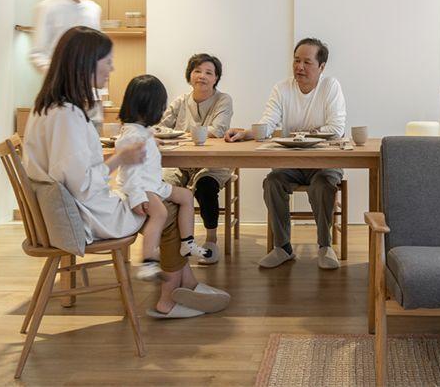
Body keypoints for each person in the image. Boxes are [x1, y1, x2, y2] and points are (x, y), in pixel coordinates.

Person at [21, 26, 230, 319]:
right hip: (86, 217)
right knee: (169, 211)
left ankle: (188, 284)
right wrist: (121, 158)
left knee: (165, 202)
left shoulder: (47, 109)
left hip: (71, 212)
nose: (112, 68)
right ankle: (169, 300)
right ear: (85, 63)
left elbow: (74, 174)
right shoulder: (67, 116)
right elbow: (82, 183)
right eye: (107, 61)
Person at [226, 38, 346, 270]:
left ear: (321, 67)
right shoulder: (282, 88)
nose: (299, 67)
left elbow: (336, 128)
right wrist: (246, 133)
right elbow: (268, 122)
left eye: (307, 62)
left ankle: (325, 246)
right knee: (272, 182)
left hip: (324, 162)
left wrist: (300, 134)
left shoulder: (330, 86)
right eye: (296, 60)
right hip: (292, 161)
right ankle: (283, 248)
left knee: (323, 184)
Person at [115, 74, 215, 283]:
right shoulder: (132, 136)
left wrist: (154, 142)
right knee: (160, 213)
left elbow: (146, 141)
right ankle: (148, 260)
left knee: (186, 196)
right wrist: (137, 197)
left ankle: (187, 242)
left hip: (154, 185)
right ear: (150, 106)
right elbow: (130, 172)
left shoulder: (141, 131)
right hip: (142, 188)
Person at [158, 53, 234, 263]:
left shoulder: (223, 99)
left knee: (205, 186)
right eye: (197, 71)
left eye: (208, 72)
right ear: (189, 75)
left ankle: (211, 240)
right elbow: (161, 127)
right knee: (162, 187)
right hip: (180, 162)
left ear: (216, 78)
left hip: (213, 162)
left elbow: (218, 130)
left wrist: (179, 134)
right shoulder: (180, 101)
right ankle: (170, 240)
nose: (202, 76)